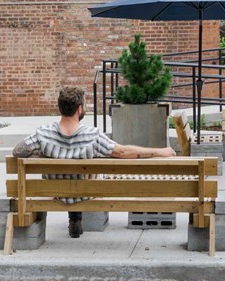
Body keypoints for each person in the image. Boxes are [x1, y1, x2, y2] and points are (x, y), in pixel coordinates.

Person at [12, 86, 176, 238]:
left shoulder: (43, 133)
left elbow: (18, 151)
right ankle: (76, 215)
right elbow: (123, 152)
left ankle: (74, 216)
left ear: (60, 108)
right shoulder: (92, 135)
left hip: (55, 192)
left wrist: (43, 154)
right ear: (79, 109)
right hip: (86, 192)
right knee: (89, 177)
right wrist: (159, 151)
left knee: (67, 181)